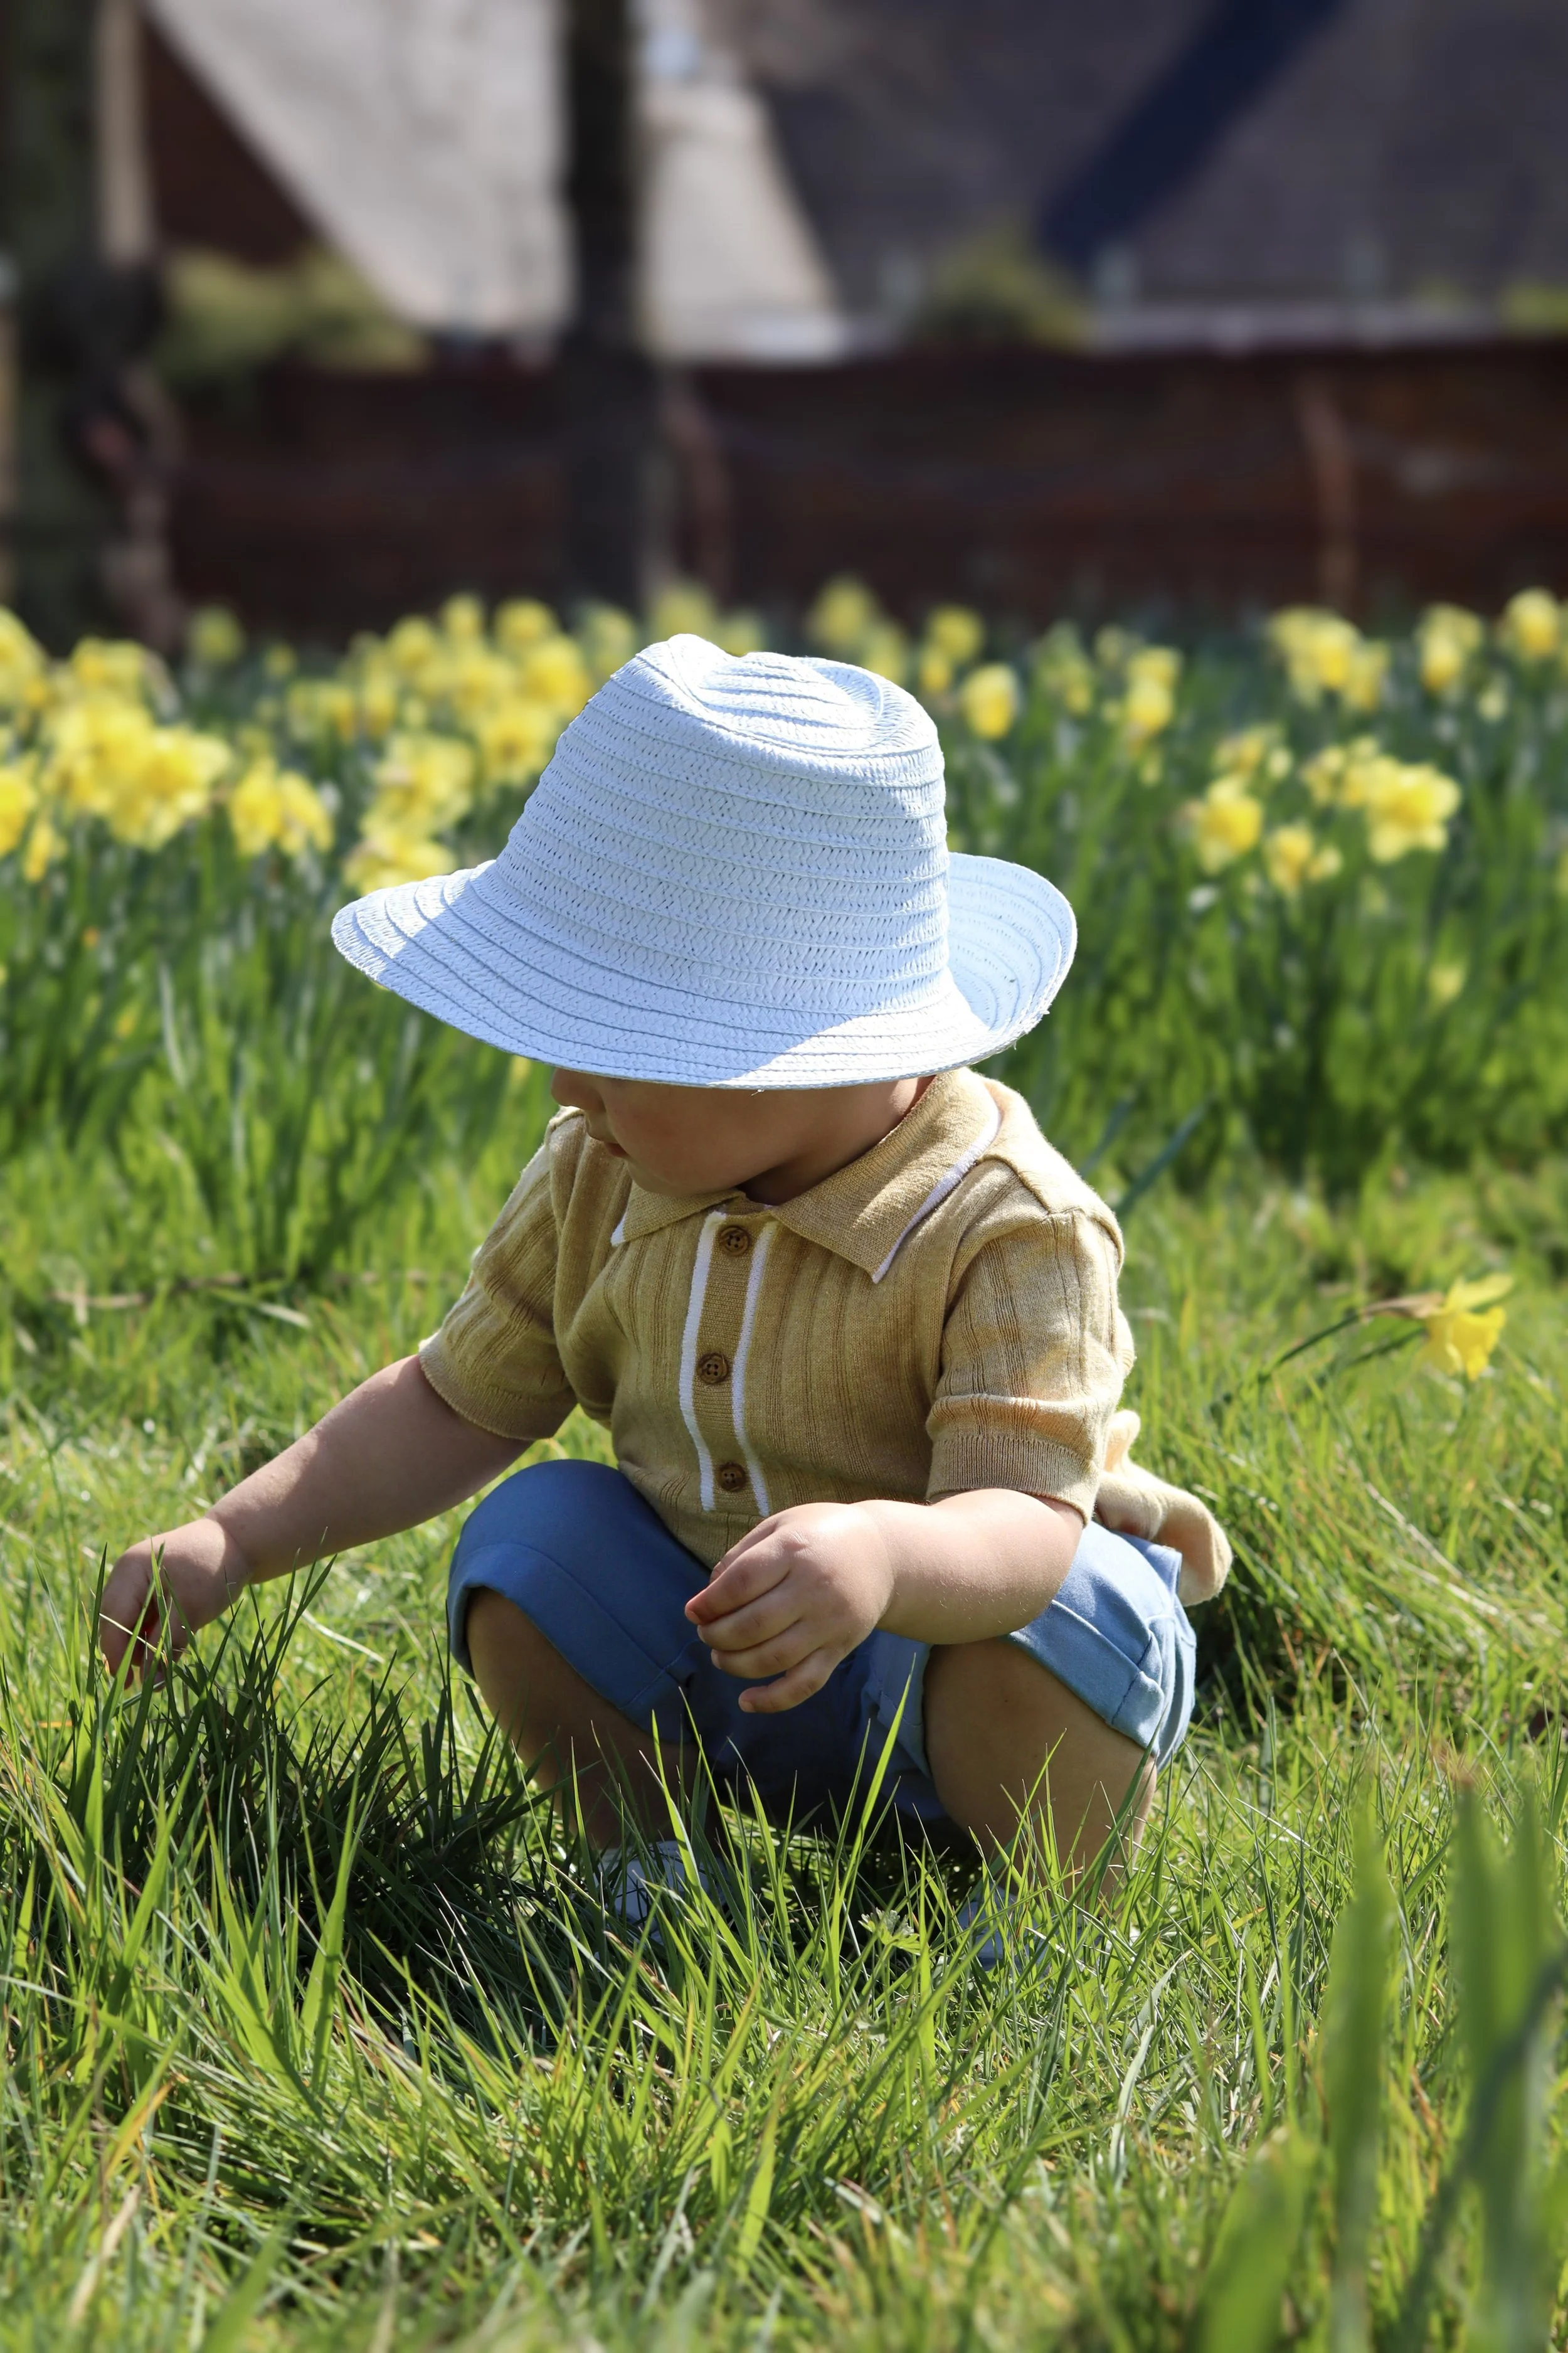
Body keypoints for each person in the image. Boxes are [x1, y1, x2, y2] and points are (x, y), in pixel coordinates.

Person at [100, 635, 1230, 1923]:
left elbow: (1021, 1529)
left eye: (614, 1047)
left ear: (802, 1048)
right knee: (529, 1542)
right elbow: (452, 1401)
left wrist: (875, 1551)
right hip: (731, 1660)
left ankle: (1038, 1908)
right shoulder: (603, 1167)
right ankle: (654, 1871)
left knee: (1067, 1606)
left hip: (960, 1658)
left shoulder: (1001, 1223)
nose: (563, 1086)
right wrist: (235, 1538)